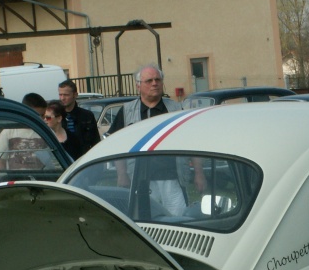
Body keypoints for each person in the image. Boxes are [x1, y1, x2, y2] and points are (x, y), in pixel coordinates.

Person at [107, 64, 206, 215]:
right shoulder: (127, 112)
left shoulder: (176, 110)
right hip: (140, 181)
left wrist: (199, 173)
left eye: (157, 80)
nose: (154, 83)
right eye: (149, 80)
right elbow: (117, 145)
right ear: (138, 86)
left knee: (178, 221)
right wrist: (122, 174)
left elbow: (192, 142)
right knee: (145, 221)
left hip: (173, 179)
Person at [0, 92, 53, 170]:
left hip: (40, 179)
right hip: (16, 180)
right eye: (36, 115)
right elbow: (0, 161)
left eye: (42, 115)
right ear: (25, 112)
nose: (41, 119)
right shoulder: (9, 131)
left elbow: (54, 160)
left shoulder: (47, 132)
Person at [57, 79, 99, 158]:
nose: (62, 98)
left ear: (75, 95)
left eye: (66, 95)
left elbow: (95, 141)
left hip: (83, 159)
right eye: (60, 95)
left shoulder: (87, 116)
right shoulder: (56, 116)